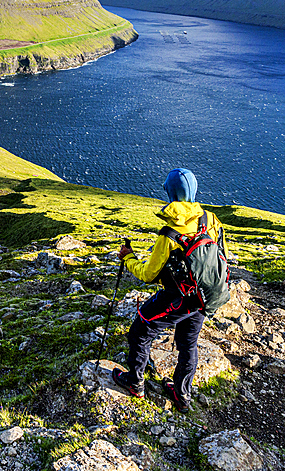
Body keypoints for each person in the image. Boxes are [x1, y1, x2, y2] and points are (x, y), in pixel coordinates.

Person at [111, 167, 226, 413]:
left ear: (170, 193)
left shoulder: (169, 234)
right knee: (188, 343)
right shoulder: (211, 220)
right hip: (204, 296)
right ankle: (182, 395)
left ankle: (135, 382)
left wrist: (129, 258)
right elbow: (222, 255)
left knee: (141, 330)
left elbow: (148, 274)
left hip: (178, 296)